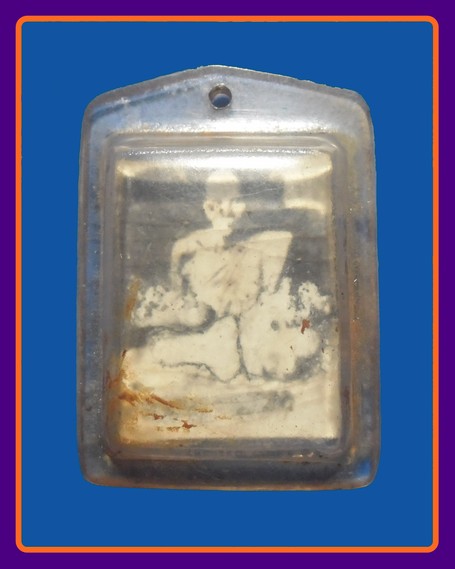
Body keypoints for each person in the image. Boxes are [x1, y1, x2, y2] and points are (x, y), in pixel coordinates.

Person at [132, 170, 323, 383]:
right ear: (206, 205)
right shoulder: (187, 248)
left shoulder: (270, 245)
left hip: (240, 329)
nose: (226, 209)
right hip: (207, 325)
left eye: (236, 201)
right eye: (215, 202)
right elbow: (179, 294)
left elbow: (266, 302)